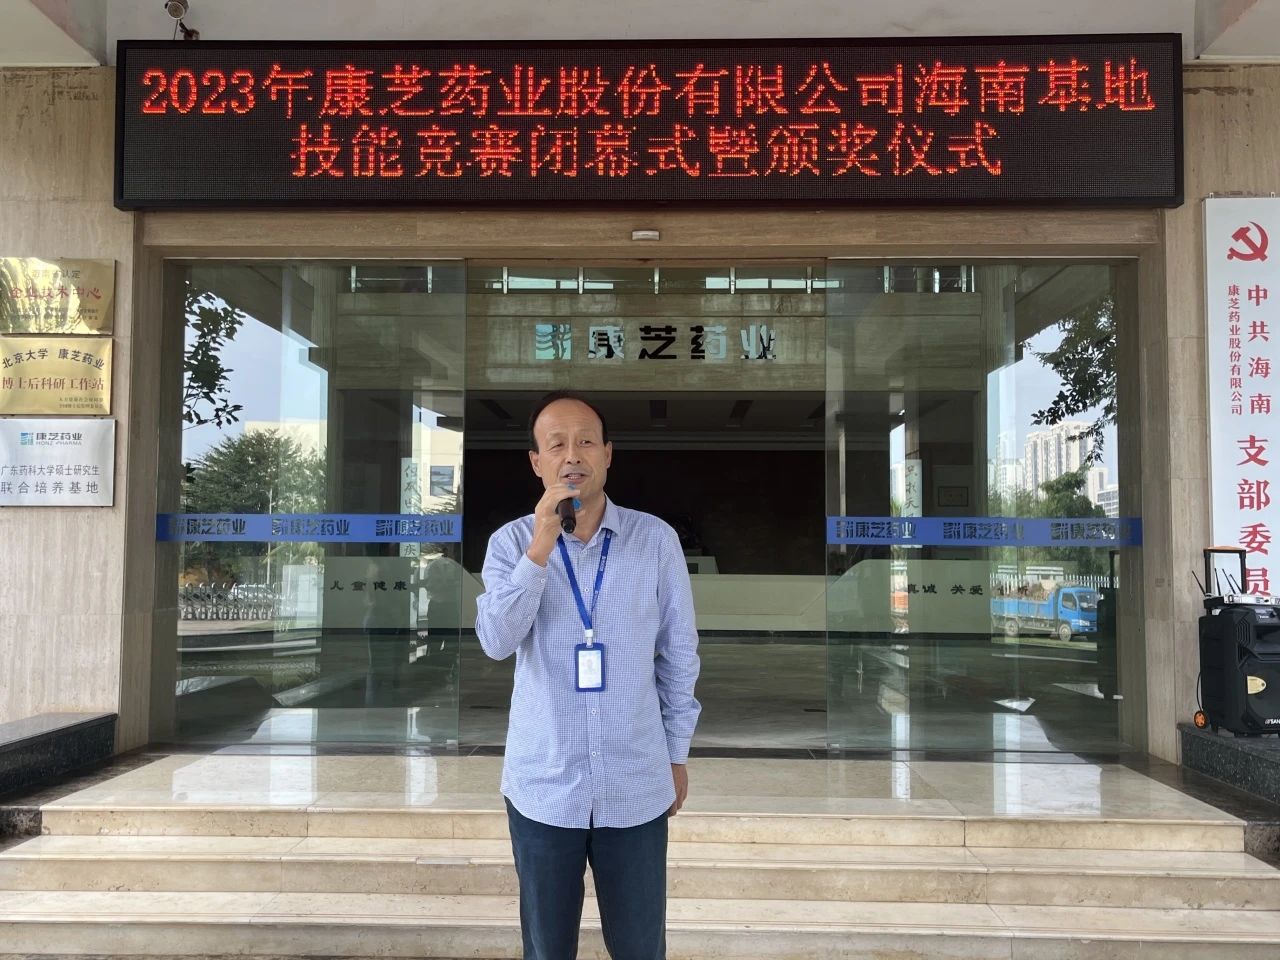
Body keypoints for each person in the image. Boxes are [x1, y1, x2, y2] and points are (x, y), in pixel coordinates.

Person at [475, 389, 701, 960]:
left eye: (585, 442)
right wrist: (540, 547)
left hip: (636, 780)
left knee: (641, 946)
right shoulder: (510, 544)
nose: (572, 455)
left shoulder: (655, 540)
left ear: (607, 454)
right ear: (537, 462)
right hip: (544, 784)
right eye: (556, 444)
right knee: (547, 948)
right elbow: (496, 642)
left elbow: (678, 654)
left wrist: (676, 754)